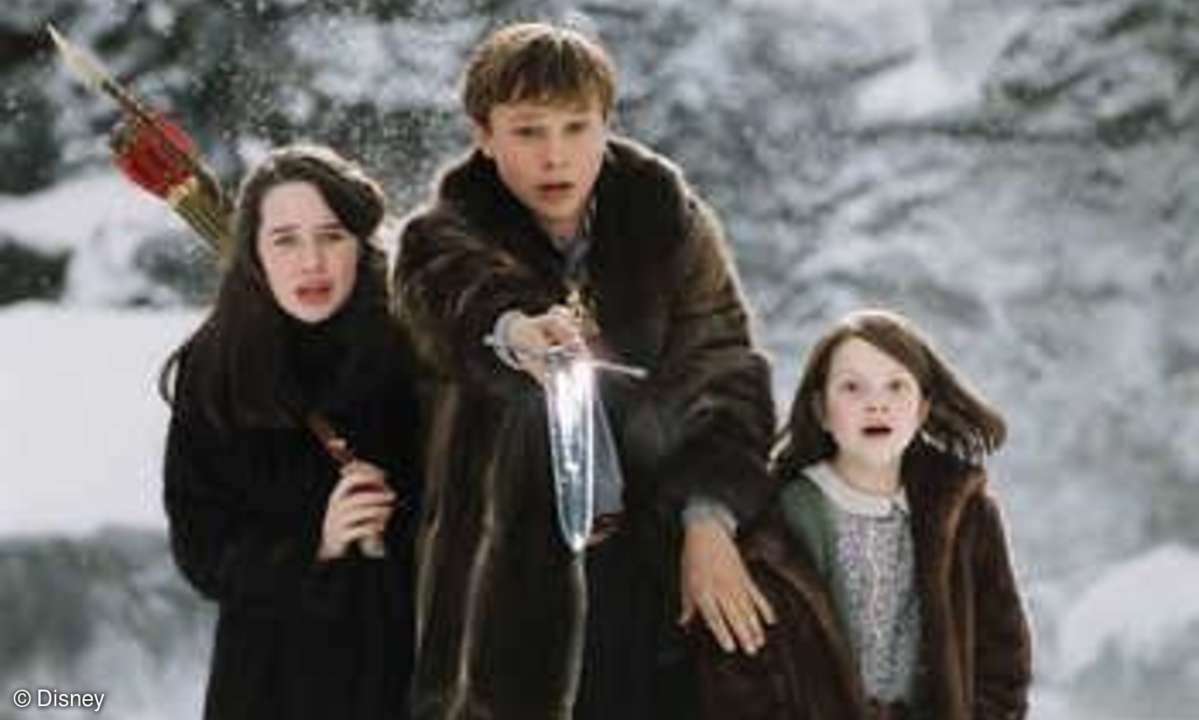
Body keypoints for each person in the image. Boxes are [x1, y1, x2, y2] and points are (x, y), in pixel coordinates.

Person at [393, 21, 777, 720]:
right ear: (485, 135)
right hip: (502, 596)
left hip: (649, 572)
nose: (555, 155)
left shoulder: (668, 227)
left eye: (576, 128)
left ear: (606, 125)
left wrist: (709, 515)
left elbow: (722, 372)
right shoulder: (442, 237)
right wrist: (512, 331)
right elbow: (450, 296)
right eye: (528, 131)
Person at [160, 144, 423, 720]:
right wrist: (317, 545)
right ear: (255, 252)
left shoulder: (414, 351)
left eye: (332, 236)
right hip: (271, 679)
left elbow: (470, 517)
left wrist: (398, 514)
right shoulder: (218, 365)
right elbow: (201, 546)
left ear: (361, 244)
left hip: (405, 670)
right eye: (285, 240)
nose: (312, 262)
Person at [696, 308, 1033, 720]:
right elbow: (740, 675)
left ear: (922, 409)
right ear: (821, 409)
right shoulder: (774, 526)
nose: (876, 404)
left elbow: (1003, 660)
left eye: (896, 386)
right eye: (852, 387)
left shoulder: (965, 514)